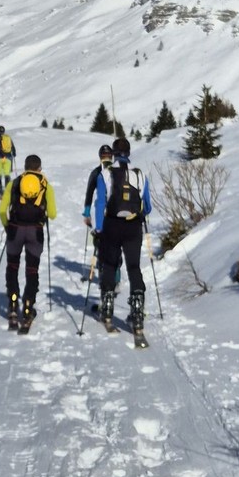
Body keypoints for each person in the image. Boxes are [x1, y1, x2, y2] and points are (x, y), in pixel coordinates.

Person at [92, 135, 151, 336]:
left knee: (109, 264)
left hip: (111, 225)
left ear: (114, 154)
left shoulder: (106, 174)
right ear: (129, 153)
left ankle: (107, 307)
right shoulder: (140, 175)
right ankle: (137, 310)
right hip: (133, 225)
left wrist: (99, 228)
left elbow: (100, 203)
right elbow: (148, 206)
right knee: (134, 267)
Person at [0, 153, 57, 330]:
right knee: (32, 270)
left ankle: (13, 304)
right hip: (35, 232)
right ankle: (28, 306)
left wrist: (7, 226)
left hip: (15, 230)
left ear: (25, 167)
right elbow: (53, 214)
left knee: (12, 267)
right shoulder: (46, 185)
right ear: (40, 168)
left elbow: (2, 210)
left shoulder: (14, 183)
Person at [82, 143, 119, 289]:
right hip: (117, 214)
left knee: (101, 243)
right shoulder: (119, 171)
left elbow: (90, 193)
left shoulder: (97, 172)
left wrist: (86, 213)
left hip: (101, 213)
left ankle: (104, 273)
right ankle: (115, 277)